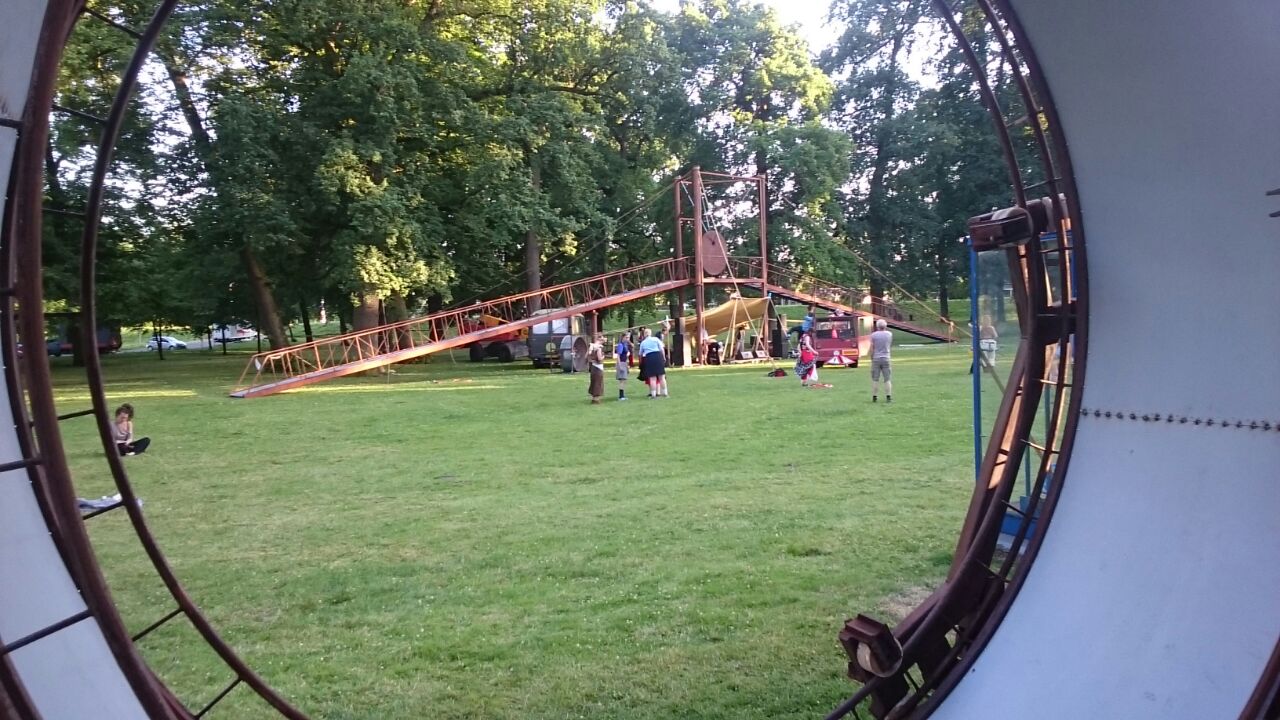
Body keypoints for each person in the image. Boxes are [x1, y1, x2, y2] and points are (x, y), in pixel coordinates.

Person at [638, 327, 667, 398]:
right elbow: (661, 349)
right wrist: (663, 357)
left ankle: (653, 394)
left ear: (644, 334)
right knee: (661, 377)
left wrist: (641, 362)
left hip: (649, 357)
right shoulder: (656, 339)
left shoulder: (643, 342)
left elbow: (640, 354)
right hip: (657, 356)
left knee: (652, 377)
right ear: (650, 333)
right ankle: (665, 393)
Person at [869, 319, 893, 403]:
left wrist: (872, 357)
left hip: (876, 358)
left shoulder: (873, 335)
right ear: (885, 326)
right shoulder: (889, 334)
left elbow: (872, 348)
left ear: (877, 326)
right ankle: (888, 396)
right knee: (887, 379)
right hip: (886, 358)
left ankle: (874, 396)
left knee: (875, 379)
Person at [586, 334, 606, 404]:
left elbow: (587, 355)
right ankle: (596, 400)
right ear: (599, 339)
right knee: (598, 383)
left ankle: (593, 399)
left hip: (593, 367)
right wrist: (603, 356)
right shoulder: (598, 347)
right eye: (602, 338)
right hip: (598, 367)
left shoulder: (591, 346)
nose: (603, 340)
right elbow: (599, 358)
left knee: (594, 382)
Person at [614, 331, 632, 401]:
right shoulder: (621, 345)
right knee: (622, 380)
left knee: (624, 380)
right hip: (621, 363)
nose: (627, 339)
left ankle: (622, 395)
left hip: (624, 363)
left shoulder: (625, 345)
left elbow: (625, 356)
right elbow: (618, 356)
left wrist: (627, 364)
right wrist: (620, 365)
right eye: (626, 337)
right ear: (623, 337)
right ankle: (621, 396)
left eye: (628, 337)